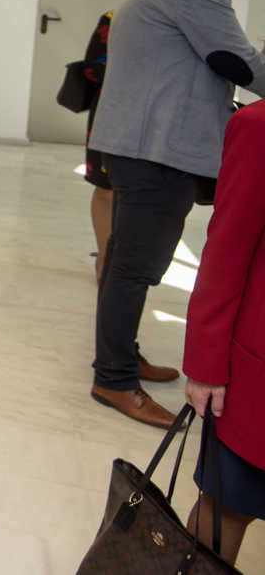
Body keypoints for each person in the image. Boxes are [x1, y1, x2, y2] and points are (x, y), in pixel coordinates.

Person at [88, 0, 265, 429]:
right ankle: (114, 378)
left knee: (125, 262)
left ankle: (121, 356)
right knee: (133, 268)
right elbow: (234, 59)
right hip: (155, 149)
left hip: (140, 145)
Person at [183, 99, 265, 565]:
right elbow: (226, 254)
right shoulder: (258, 127)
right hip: (258, 376)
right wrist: (206, 364)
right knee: (226, 510)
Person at [80, 0, 168, 281]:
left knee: (144, 195)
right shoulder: (114, 18)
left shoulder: (181, 25)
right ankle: (104, 257)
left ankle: (128, 261)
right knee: (106, 190)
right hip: (112, 116)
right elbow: (92, 67)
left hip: (158, 123)